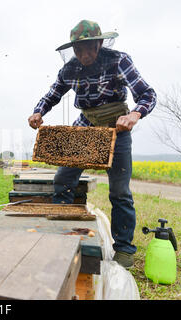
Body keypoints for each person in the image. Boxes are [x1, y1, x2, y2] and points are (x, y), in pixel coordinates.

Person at [28, 20, 157, 268]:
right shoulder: (70, 69)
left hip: (115, 128)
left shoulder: (119, 60)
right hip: (86, 124)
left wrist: (134, 115)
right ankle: (61, 236)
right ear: (73, 49)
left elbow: (147, 94)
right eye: (79, 50)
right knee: (63, 180)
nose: (84, 55)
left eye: (90, 48)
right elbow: (53, 94)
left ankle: (124, 250)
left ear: (99, 43)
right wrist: (38, 111)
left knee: (120, 191)